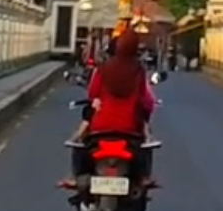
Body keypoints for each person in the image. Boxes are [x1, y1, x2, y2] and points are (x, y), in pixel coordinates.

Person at [64, 31, 157, 188]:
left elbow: (93, 94)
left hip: (101, 125)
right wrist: (146, 113)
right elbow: (146, 100)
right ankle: (144, 177)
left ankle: (74, 176)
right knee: (145, 146)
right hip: (129, 126)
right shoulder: (138, 71)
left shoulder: (103, 69)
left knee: (80, 144)